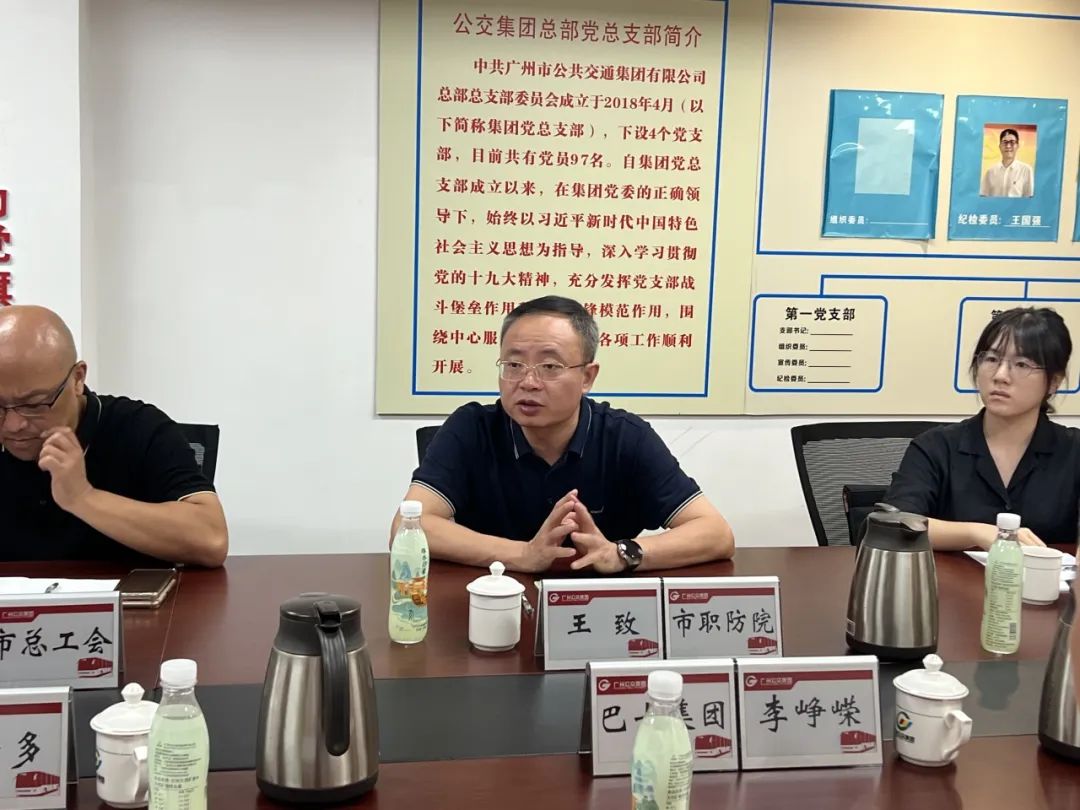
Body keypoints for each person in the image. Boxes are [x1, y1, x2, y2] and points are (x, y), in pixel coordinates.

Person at [392, 296, 734, 573]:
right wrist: (523, 555)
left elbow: (715, 533)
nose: (528, 382)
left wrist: (620, 553)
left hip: (599, 611)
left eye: (550, 367)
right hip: (492, 604)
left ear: (587, 377)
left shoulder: (625, 438)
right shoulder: (471, 429)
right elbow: (407, 527)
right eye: (513, 365)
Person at [0, 305, 228, 565]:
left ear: (77, 379)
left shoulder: (137, 427)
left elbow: (211, 539)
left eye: (34, 404)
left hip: (130, 591)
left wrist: (83, 497)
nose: (13, 425)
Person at [885, 307, 1078, 550]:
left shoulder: (1074, 452)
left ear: (1054, 382)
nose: (1000, 375)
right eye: (992, 359)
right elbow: (895, 524)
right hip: (951, 575)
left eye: (1021, 364)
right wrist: (976, 533)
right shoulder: (935, 447)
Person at [980, 128, 1034, 198]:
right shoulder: (990, 172)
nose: (1008, 146)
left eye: (1012, 142)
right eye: (1004, 142)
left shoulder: (1026, 170)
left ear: (1017, 145)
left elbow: (1030, 198)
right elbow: (983, 196)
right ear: (1000, 146)